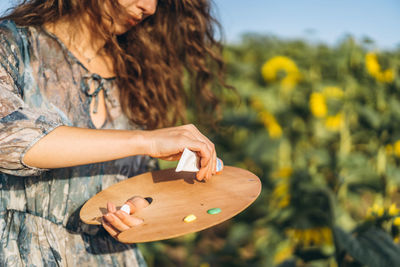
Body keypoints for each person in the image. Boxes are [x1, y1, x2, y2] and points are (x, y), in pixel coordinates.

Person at [0, 0, 231, 265]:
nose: (150, 7)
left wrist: (135, 207)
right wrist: (145, 140)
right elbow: (7, 138)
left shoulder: (137, 74)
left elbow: (139, 183)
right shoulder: (11, 45)